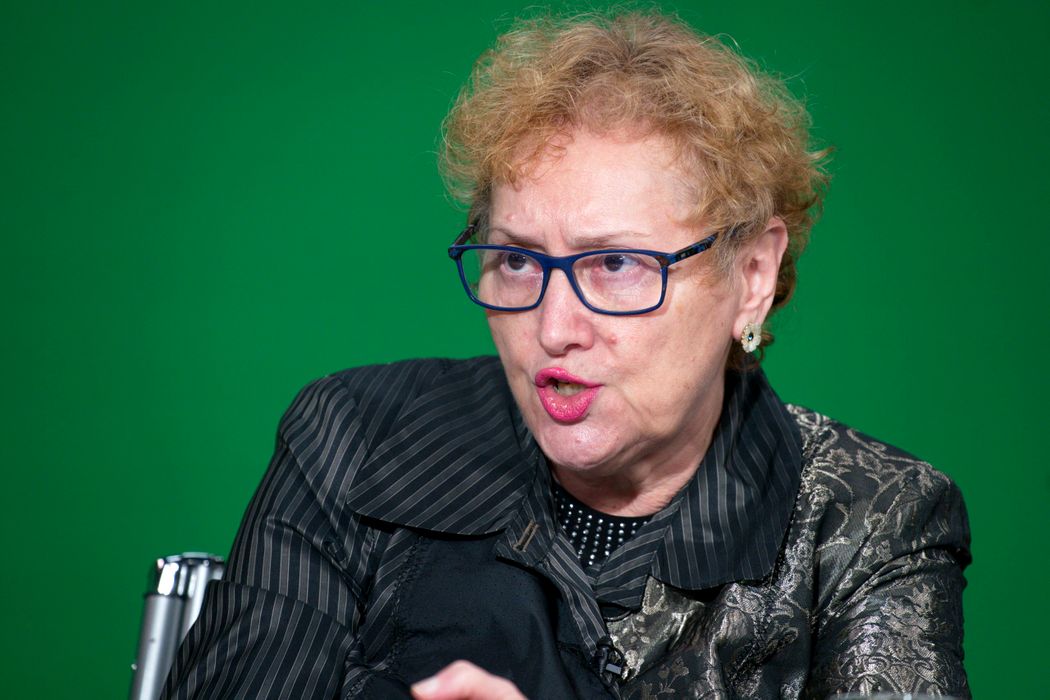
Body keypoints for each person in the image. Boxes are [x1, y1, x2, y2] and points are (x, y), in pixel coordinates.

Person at [163, 10, 970, 699]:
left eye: (615, 263)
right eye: (518, 259)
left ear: (752, 276)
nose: (554, 327)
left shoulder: (871, 518)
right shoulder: (353, 438)